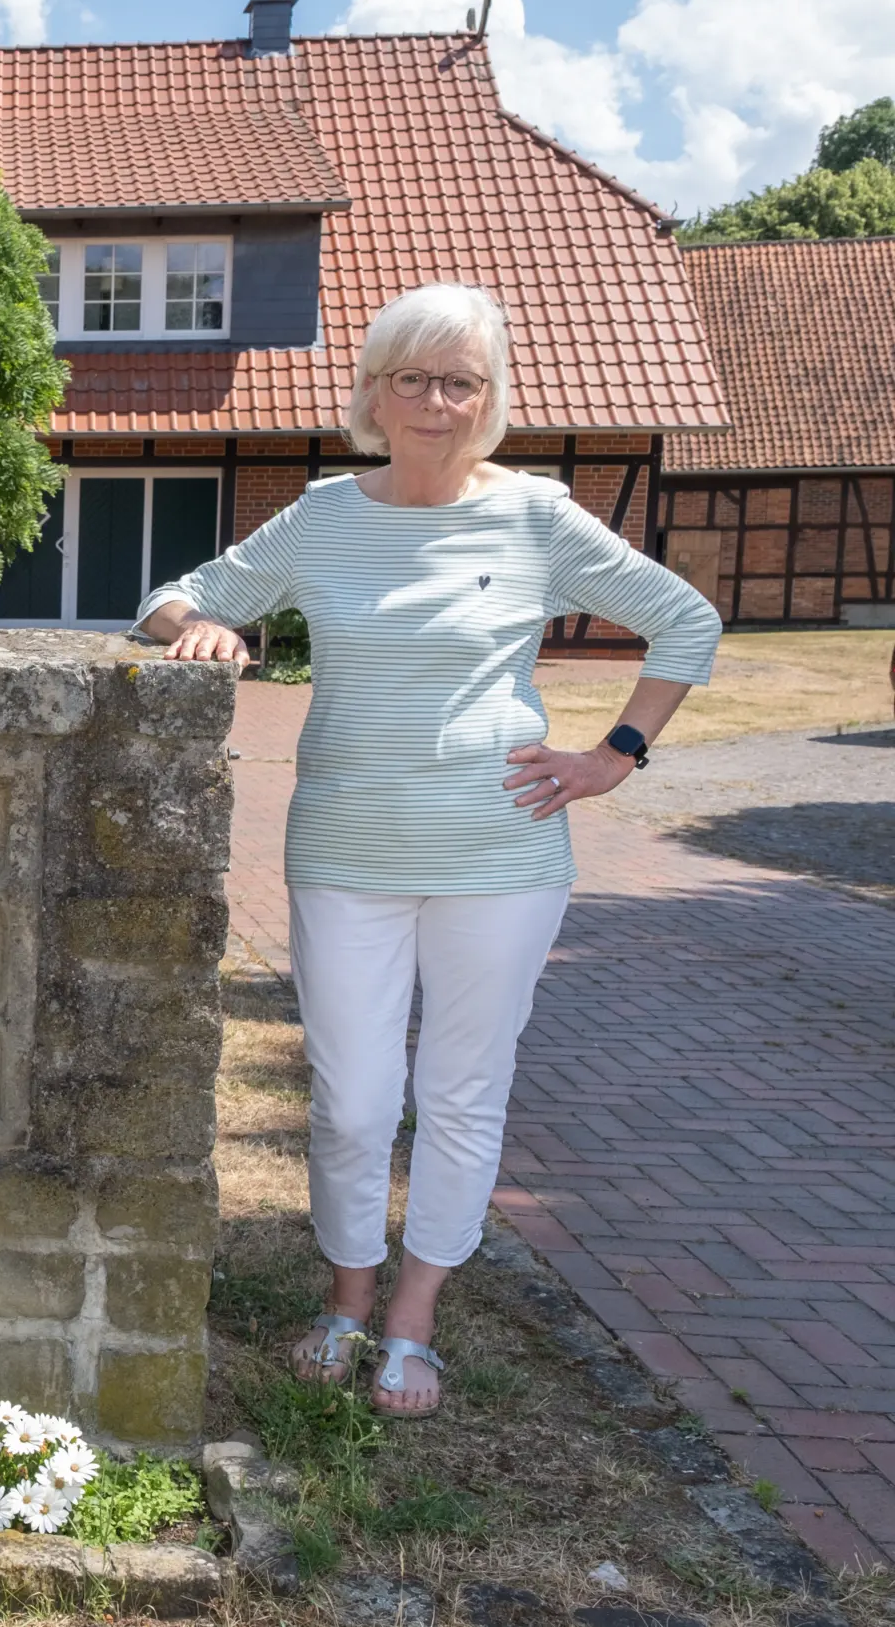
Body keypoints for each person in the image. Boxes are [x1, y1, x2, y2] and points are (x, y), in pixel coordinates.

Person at [135, 283, 721, 1418]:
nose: (435, 402)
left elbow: (686, 620)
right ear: (374, 393)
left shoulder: (537, 516)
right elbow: (173, 597)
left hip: (500, 853)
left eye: (460, 382)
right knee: (353, 1100)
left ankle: (412, 1320)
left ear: (488, 399)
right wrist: (202, 624)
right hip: (344, 846)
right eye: (412, 377)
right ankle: (345, 1299)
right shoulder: (322, 516)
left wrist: (614, 755)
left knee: (461, 1092)